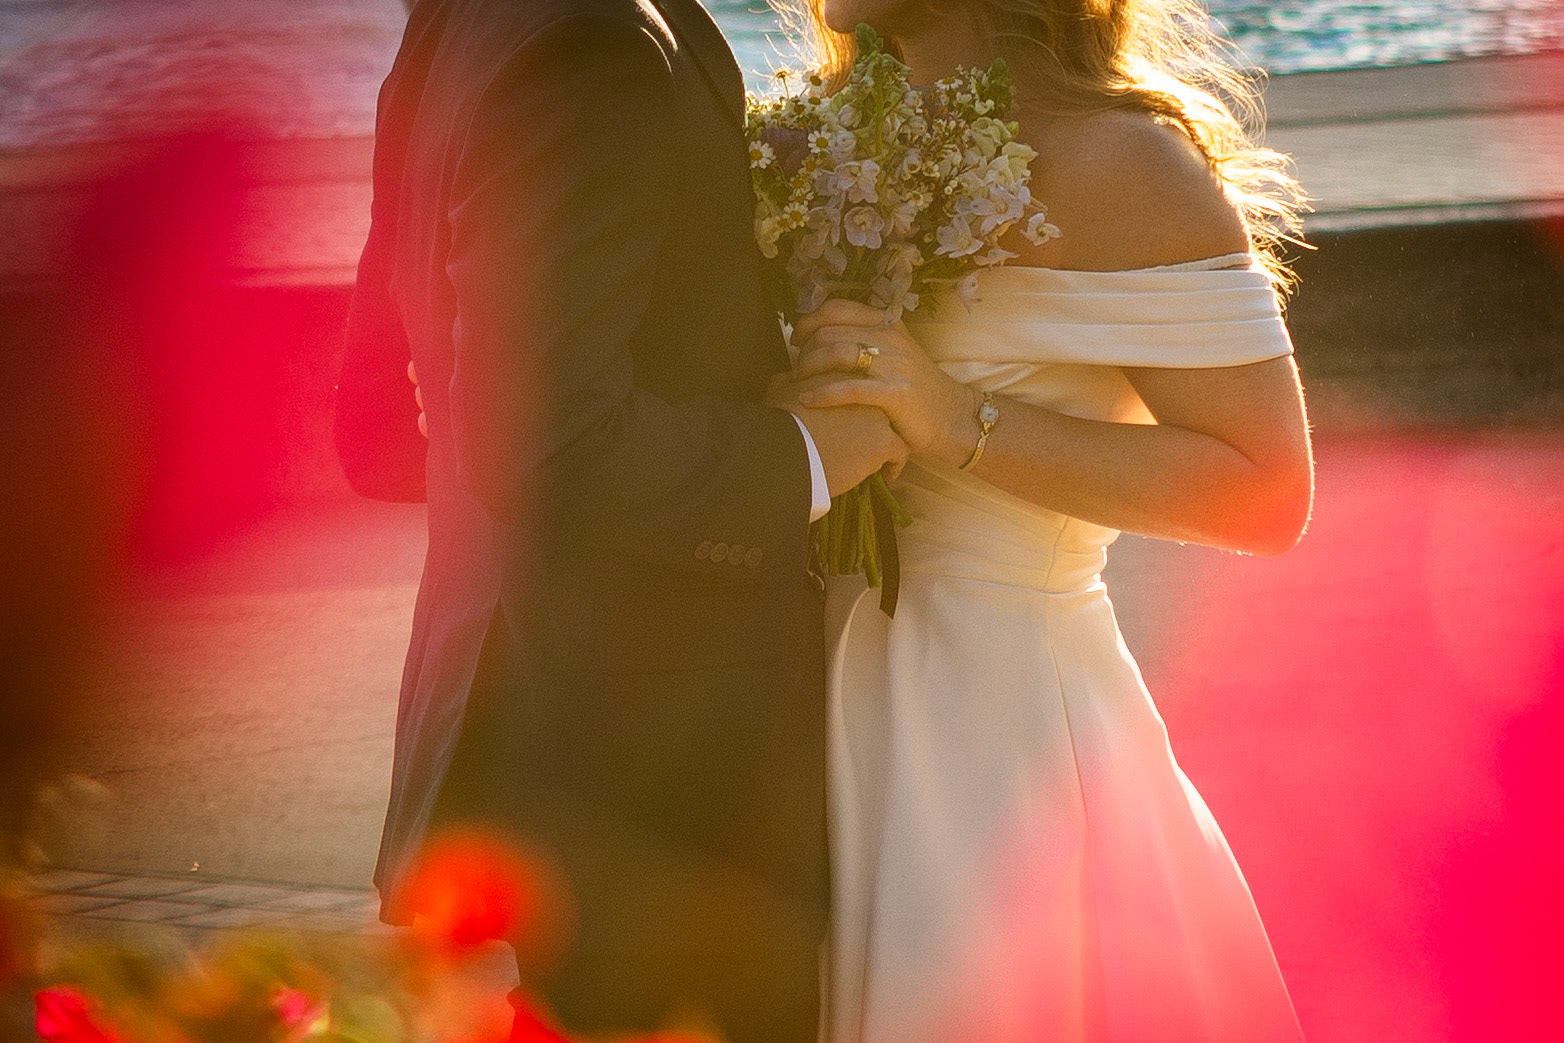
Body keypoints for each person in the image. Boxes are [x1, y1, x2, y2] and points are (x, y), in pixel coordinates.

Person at [333, 1, 907, 1039]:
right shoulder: (590, 42)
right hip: (653, 777)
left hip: (523, 723)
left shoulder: (461, 22)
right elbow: (549, 441)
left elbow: (379, 421)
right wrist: (809, 456)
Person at [766, 0, 1316, 1038]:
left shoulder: (1125, 164)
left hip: (1003, 741)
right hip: (788, 714)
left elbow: (1264, 488)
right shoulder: (810, 143)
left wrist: (951, 417)